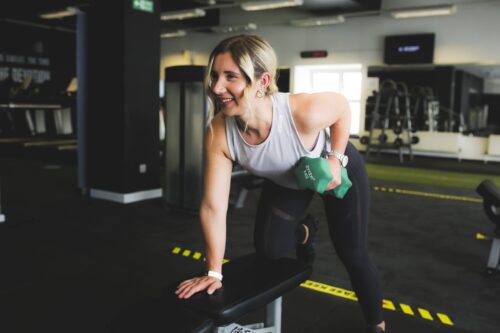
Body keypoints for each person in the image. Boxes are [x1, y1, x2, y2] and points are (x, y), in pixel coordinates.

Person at [175, 34, 386, 333]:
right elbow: (212, 206)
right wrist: (213, 271)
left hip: (334, 169)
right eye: (215, 76)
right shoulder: (220, 131)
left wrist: (335, 160)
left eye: (230, 77)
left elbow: (341, 107)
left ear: (263, 81)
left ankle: (377, 323)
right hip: (288, 179)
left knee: (352, 253)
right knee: (269, 251)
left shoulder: (302, 111)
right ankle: (305, 230)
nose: (216, 87)